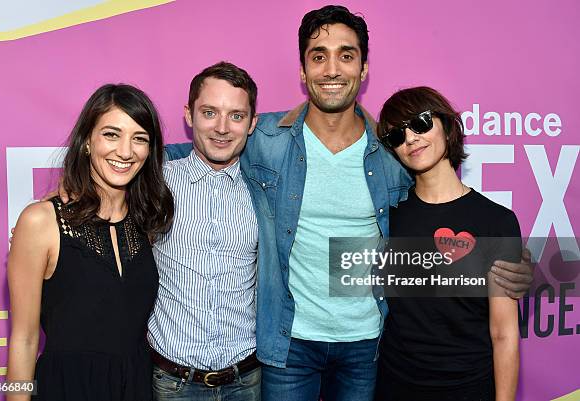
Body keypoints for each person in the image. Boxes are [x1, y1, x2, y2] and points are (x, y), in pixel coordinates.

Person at [166, 5, 533, 401]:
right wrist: (116, 166)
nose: (332, 69)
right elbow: (203, 148)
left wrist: (510, 261)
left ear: (363, 69)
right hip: (290, 343)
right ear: (303, 72)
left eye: (346, 55)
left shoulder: (393, 153)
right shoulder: (265, 138)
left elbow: (438, 220)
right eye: (318, 56)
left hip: (367, 345)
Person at [6, 84, 174, 401]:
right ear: (87, 141)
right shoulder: (41, 222)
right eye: (111, 134)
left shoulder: (147, 222)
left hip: (136, 387)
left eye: (139, 138)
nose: (125, 151)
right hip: (68, 388)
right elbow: (24, 341)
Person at [374, 86, 520, 401]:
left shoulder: (497, 222)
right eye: (397, 136)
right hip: (394, 386)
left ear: (446, 124)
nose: (411, 138)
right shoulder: (387, 219)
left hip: (469, 388)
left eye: (421, 123)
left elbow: (504, 333)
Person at [149, 62, 261, 400]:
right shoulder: (156, 182)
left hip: (247, 380)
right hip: (172, 382)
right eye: (210, 112)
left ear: (253, 123)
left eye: (237, 116)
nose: (222, 128)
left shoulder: (264, 190)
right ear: (189, 114)